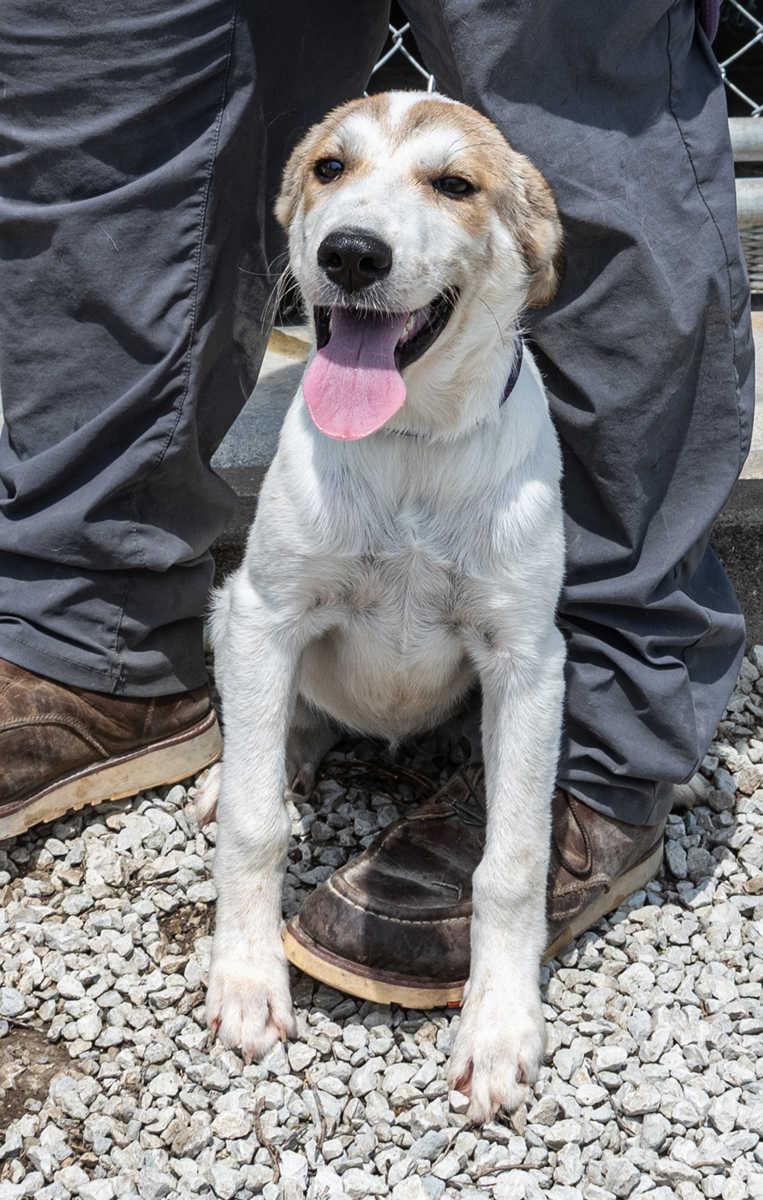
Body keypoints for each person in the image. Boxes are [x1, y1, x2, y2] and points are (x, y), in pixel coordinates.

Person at [0, 2, 753, 995]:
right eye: (331, 174)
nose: (358, 233)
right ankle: (89, 633)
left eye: (446, 186)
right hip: (315, 630)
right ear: (298, 205)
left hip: (493, 529)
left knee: (573, 75)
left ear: (526, 243)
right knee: (116, 76)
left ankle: (605, 743)